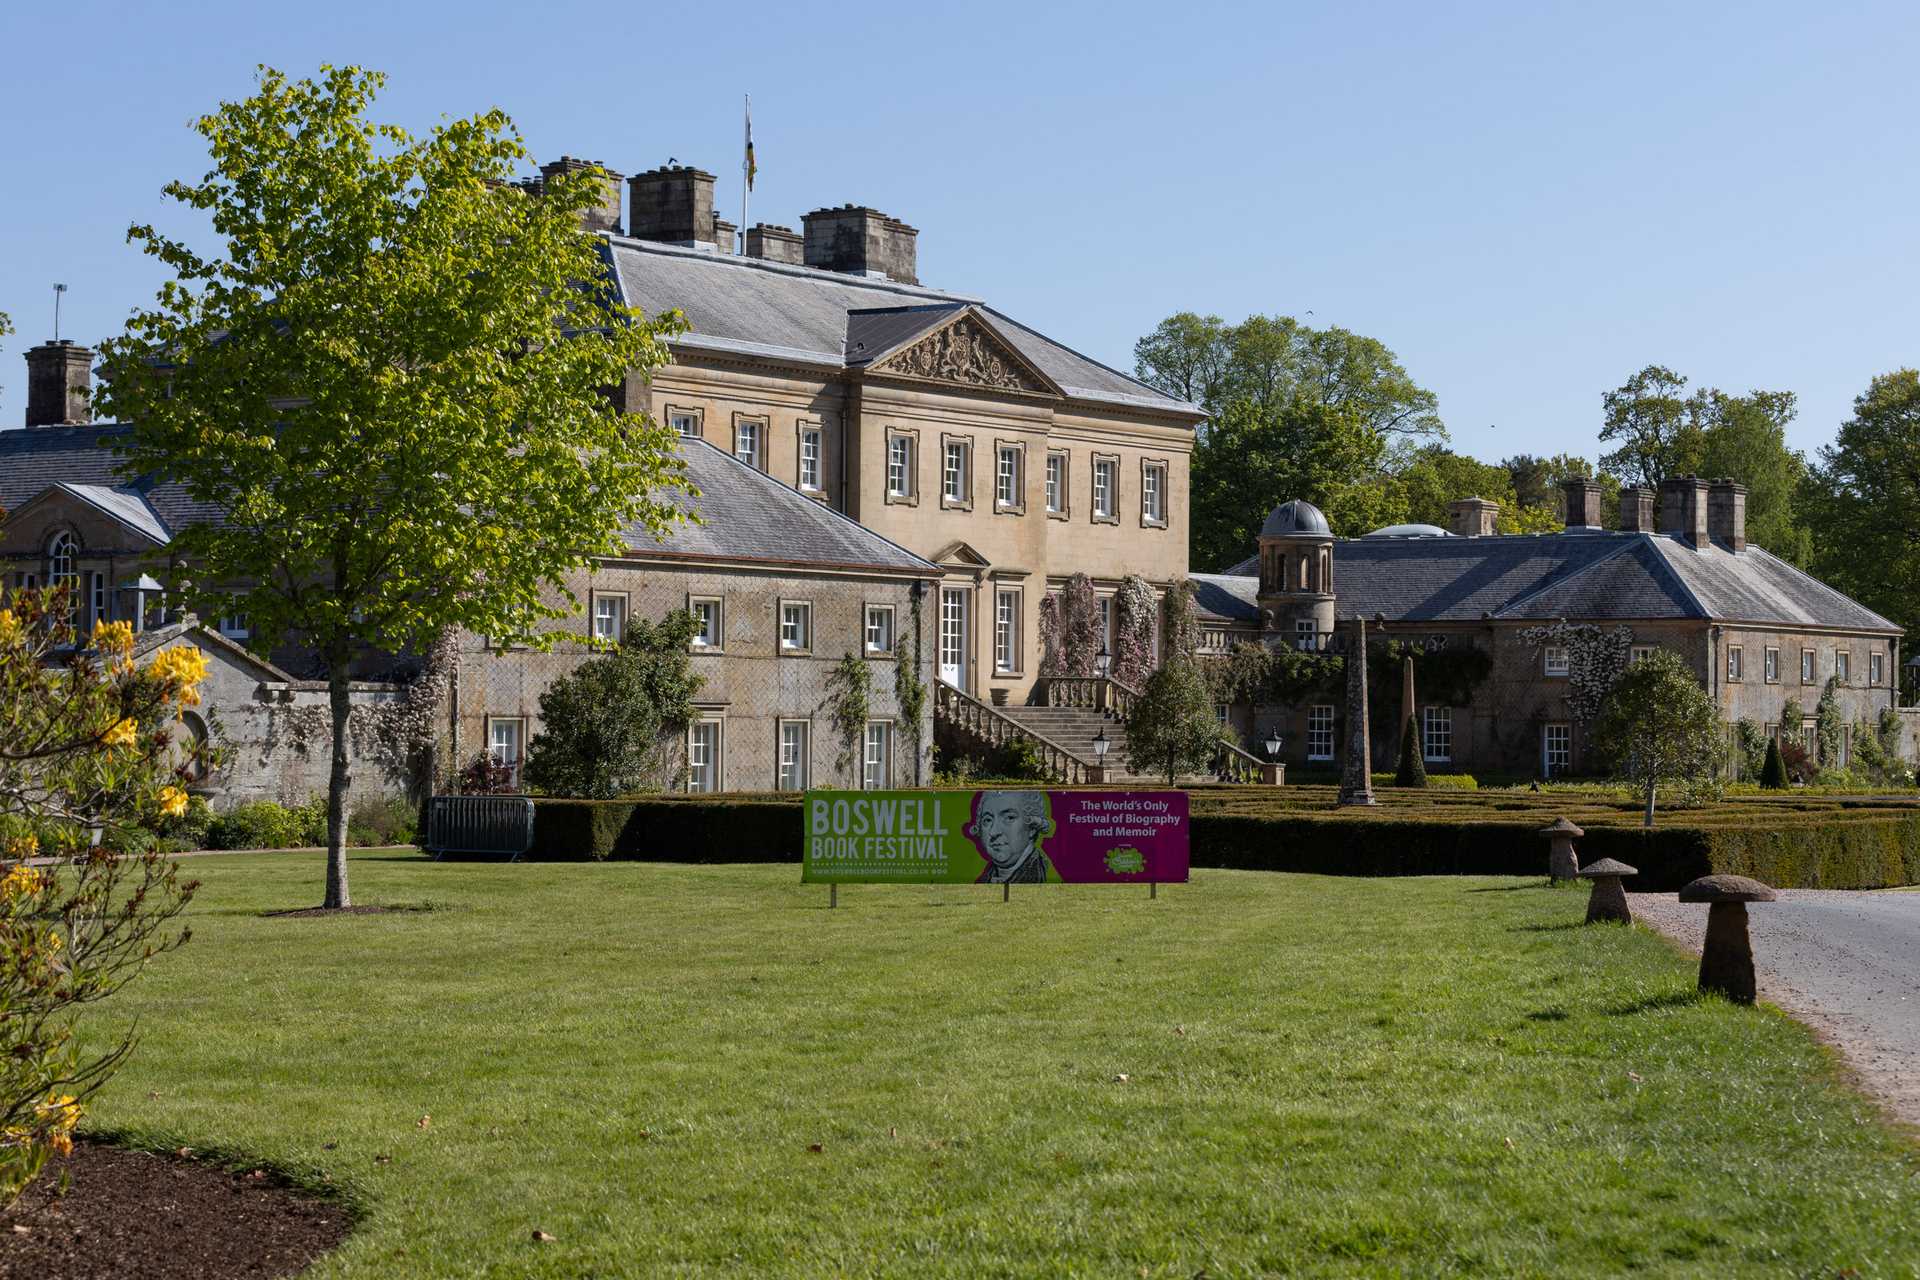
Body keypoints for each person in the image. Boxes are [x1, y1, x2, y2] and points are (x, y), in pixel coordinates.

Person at [968, 790, 1055, 884]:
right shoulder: (985, 879)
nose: (994, 832)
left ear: (1032, 828)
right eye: (988, 820)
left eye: (1009, 818)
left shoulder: (1040, 875)